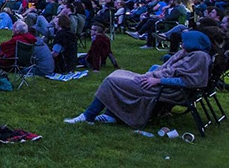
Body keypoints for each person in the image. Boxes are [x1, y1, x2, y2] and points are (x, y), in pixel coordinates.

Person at [65, 30, 213, 126]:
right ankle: (111, 114)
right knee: (117, 74)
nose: (182, 44)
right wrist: (154, 73)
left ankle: (88, 116)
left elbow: (189, 82)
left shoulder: (199, 57)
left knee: (111, 81)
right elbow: (169, 68)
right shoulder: (190, 53)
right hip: (158, 82)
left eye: (184, 41)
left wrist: (158, 80)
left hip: (166, 89)